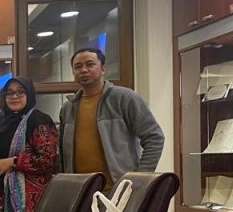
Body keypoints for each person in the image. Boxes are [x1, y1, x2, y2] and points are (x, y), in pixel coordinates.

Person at [59, 47, 164, 189]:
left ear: (103, 69)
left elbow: (154, 137)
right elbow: (62, 154)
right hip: (79, 191)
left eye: (90, 64)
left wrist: (140, 178)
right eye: (78, 66)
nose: (83, 70)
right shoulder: (68, 108)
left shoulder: (124, 98)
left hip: (118, 189)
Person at [0, 76, 58, 212]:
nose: (14, 96)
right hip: (1, 193)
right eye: (9, 93)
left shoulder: (39, 120)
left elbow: (47, 159)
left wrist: (13, 162)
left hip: (30, 198)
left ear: (29, 94)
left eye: (20, 92)